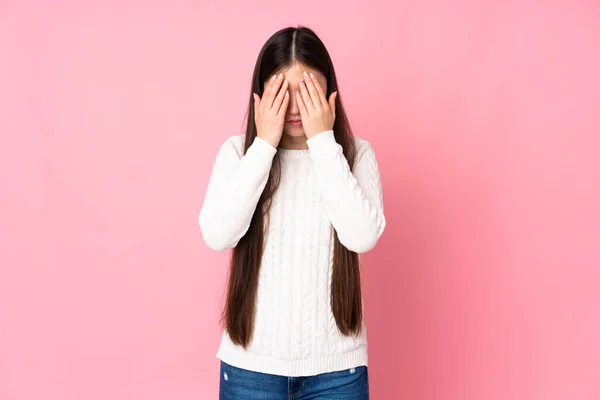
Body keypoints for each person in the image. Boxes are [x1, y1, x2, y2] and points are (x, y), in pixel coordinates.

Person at [198, 25, 386, 399]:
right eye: (283, 92)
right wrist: (264, 145)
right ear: (261, 95)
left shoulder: (355, 155)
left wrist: (322, 141)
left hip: (337, 372)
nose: (297, 107)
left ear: (330, 93)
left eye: (309, 91)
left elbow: (362, 236)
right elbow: (217, 234)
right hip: (250, 369)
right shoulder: (238, 154)